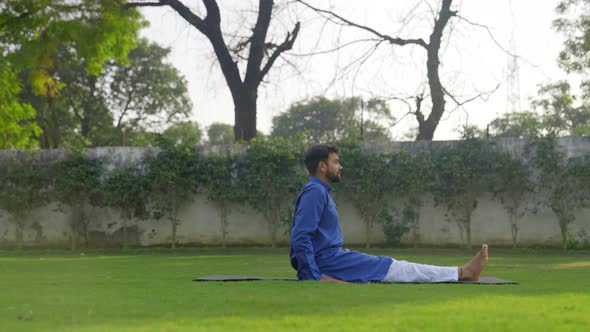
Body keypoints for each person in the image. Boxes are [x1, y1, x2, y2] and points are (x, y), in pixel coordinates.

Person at [289, 144, 488, 284]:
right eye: (336, 162)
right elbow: (301, 236)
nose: (340, 167)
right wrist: (314, 277)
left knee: (390, 265)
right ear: (322, 166)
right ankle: (463, 272)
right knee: (393, 267)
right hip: (329, 262)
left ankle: (462, 272)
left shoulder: (320, 192)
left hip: (333, 259)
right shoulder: (315, 192)